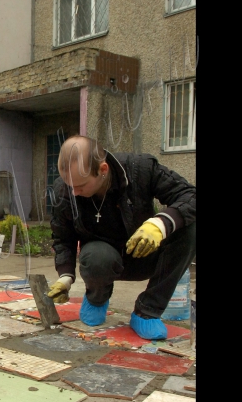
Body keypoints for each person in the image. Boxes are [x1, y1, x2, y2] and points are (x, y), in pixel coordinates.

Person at [47, 135, 196, 340]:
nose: (74, 192)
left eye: (80, 185)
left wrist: (161, 223)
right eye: (69, 184)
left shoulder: (140, 169)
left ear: (103, 170)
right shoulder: (64, 190)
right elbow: (63, 237)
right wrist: (65, 275)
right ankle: (97, 299)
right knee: (96, 257)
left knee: (190, 226)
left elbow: (190, 196)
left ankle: (147, 311)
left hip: (146, 253)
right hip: (102, 260)